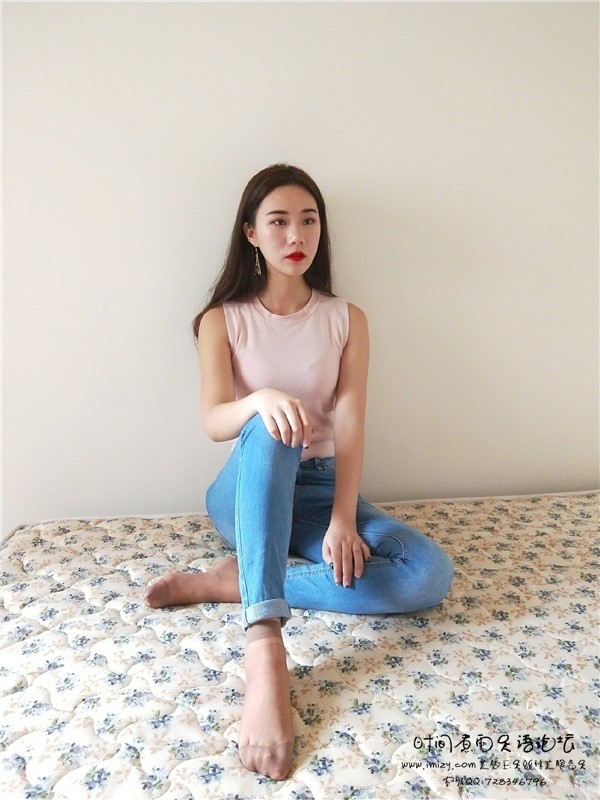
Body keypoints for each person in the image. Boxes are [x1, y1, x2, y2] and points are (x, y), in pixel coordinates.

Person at [144, 164, 453, 781]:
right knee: (274, 423)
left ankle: (232, 582)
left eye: (308, 221)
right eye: (279, 221)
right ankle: (264, 641)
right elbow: (214, 420)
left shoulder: (346, 319)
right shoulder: (222, 320)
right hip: (247, 486)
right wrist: (262, 401)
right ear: (251, 233)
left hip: (320, 489)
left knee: (425, 573)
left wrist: (343, 517)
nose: (296, 235)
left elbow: (351, 423)